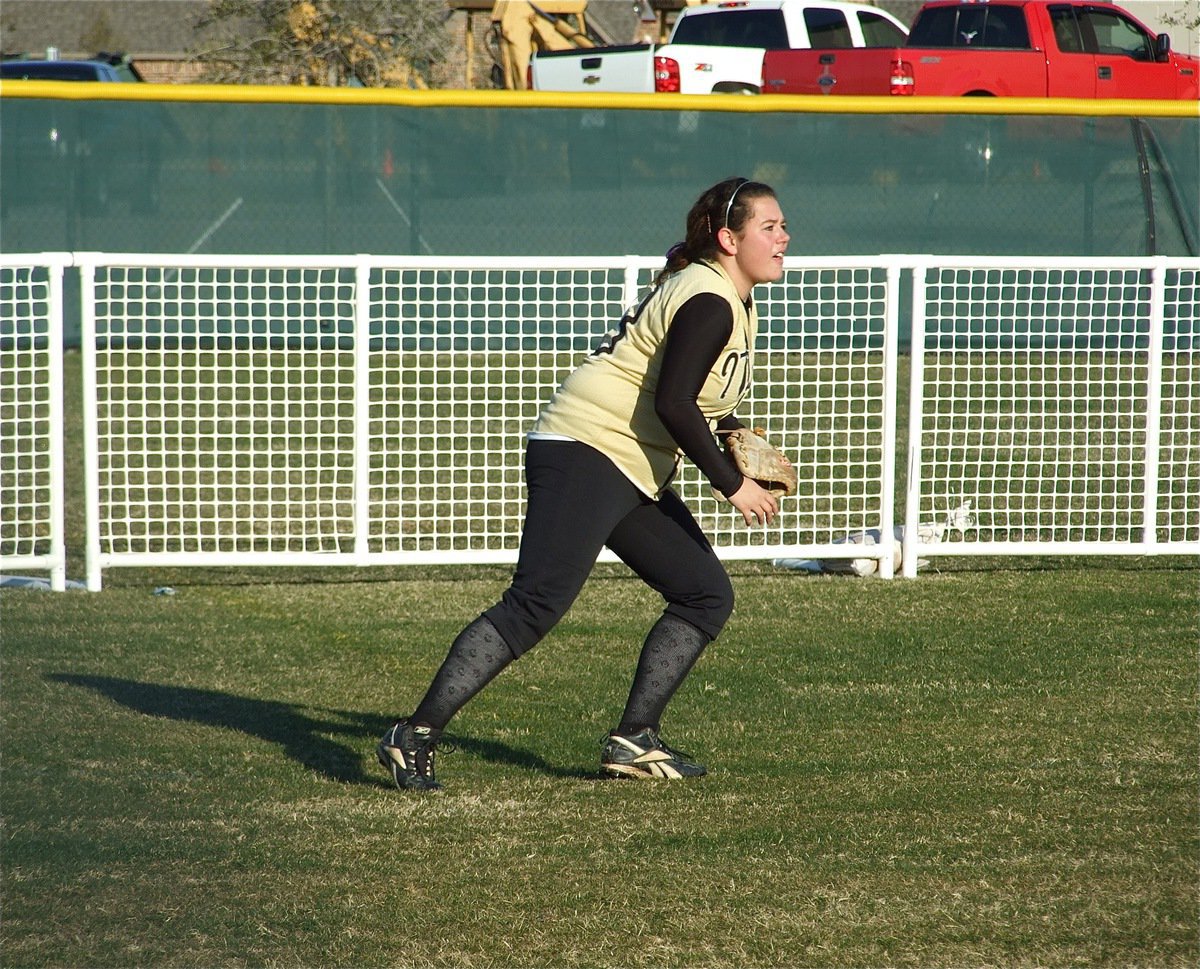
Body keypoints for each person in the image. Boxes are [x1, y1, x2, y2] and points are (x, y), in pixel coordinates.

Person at [378, 176, 790, 791]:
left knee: (704, 593)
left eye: (782, 226)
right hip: (587, 449)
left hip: (625, 460)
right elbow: (677, 404)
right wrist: (733, 483)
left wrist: (731, 431)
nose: (784, 237)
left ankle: (635, 739)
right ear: (729, 239)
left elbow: (687, 398)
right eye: (770, 227)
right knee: (535, 605)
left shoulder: (724, 294)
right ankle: (411, 736)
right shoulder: (710, 300)